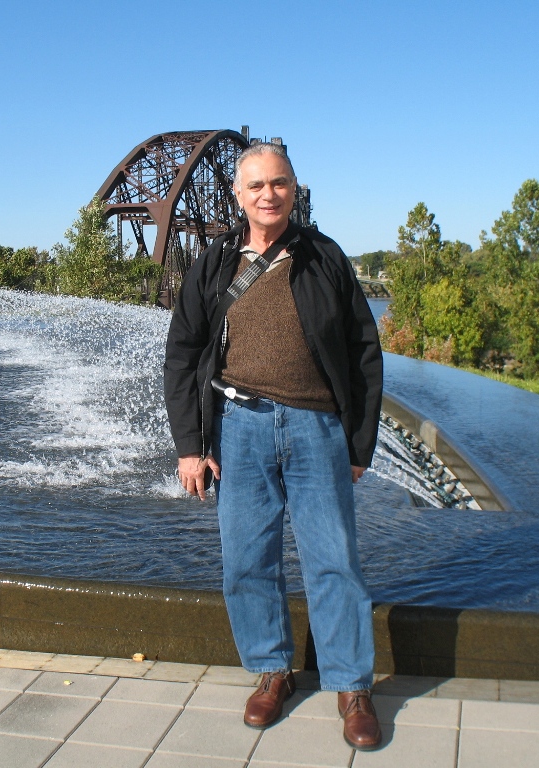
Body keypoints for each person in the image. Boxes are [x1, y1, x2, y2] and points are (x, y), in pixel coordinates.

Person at [163, 142, 383, 750]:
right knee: (247, 560)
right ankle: (271, 671)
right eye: (256, 185)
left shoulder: (324, 258)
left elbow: (365, 351)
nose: (268, 194)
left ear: (294, 190)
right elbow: (182, 353)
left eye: (279, 184)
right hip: (240, 428)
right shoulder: (214, 264)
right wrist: (191, 445)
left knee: (334, 558)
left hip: (316, 429)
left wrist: (358, 443)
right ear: (238, 195)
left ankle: (352, 686)